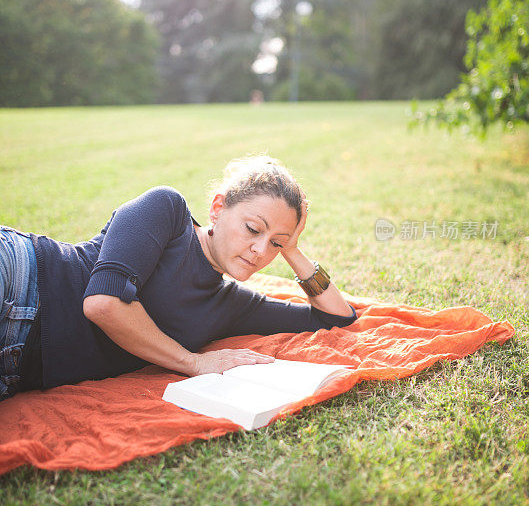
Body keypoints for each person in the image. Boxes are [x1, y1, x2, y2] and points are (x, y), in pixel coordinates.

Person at [0, 155, 357, 401]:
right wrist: (194, 362)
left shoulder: (231, 304)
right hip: (21, 276)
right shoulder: (167, 211)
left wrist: (292, 249)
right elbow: (103, 303)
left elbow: (336, 318)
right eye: (252, 229)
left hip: (16, 369)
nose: (260, 251)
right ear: (218, 209)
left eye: (275, 244)